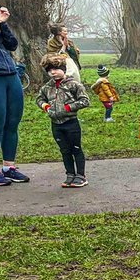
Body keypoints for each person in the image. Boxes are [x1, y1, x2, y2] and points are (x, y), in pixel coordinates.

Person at [36, 53, 90, 188]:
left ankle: (81, 175)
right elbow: (39, 99)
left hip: (71, 123)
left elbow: (85, 101)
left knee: (76, 148)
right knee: (64, 150)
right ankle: (70, 174)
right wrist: (46, 106)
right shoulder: (47, 87)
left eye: (55, 69)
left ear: (64, 69)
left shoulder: (73, 85)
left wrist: (68, 107)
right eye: (49, 70)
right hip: (56, 124)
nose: (52, 72)